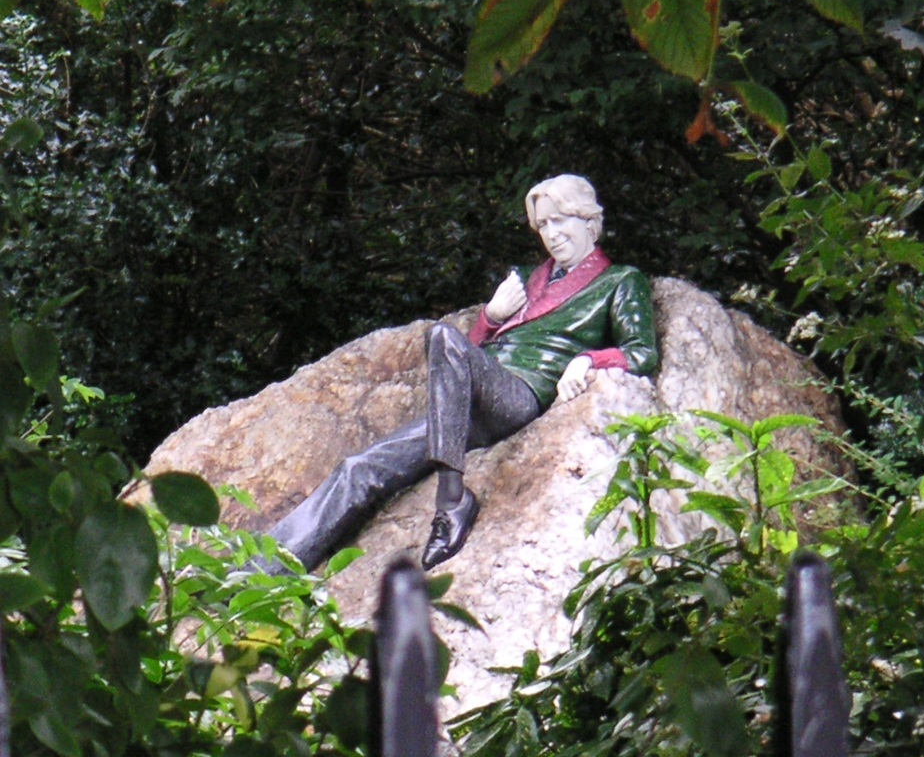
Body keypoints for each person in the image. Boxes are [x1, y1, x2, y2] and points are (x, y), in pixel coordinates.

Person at [260, 174, 658, 573]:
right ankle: (261, 567)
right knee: (359, 467)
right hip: (466, 403)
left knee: (442, 337)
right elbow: (464, 355)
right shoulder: (527, 280)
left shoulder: (619, 281)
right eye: (543, 225)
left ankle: (452, 501)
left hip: (520, 395)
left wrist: (589, 359)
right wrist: (491, 316)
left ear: (589, 220)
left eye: (560, 221)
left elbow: (641, 352)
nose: (551, 235)